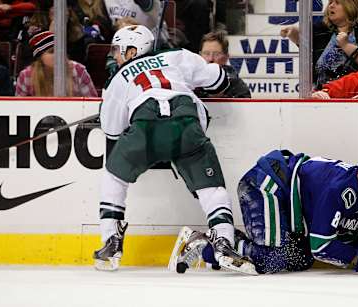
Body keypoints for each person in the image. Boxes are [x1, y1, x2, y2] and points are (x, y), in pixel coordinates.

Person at [93, 25, 255, 275]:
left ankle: (111, 241)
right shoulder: (177, 55)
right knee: (211, 188)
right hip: (187, 121)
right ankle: (224, 241)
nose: (115, 55)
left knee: (114, 175)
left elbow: (112, 131)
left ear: (133, 50)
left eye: (118, 49)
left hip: (146, 125)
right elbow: (221, 78)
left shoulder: (118, 79)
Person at [172, 149, 358, 275]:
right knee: (274, 258)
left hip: (280, 195)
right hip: (265, 186)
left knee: (299, 259)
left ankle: (215, 246)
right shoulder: (340, 189)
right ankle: (205, 243)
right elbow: (320, 247)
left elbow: (341, 236)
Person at [280, 0, 358, 89]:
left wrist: (346, 46)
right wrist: (293, 32)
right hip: (322, 92)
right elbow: (305, 45)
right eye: (330, 2)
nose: (331, 5)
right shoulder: (320, 28)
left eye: (337, 2)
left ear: (351, 6)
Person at [15, 31, 98, 97]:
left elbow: (92, 105)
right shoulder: (26, 75)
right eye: (52, 52)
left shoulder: (78, 70)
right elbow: (19, 109)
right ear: (40, 58)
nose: (58, 56)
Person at [196, 31, 251, 98]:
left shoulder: (237, 86)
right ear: (200, 56)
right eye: (206, 53)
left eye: (216, 54)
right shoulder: (190, 83)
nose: (211, 59)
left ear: (226, 57)